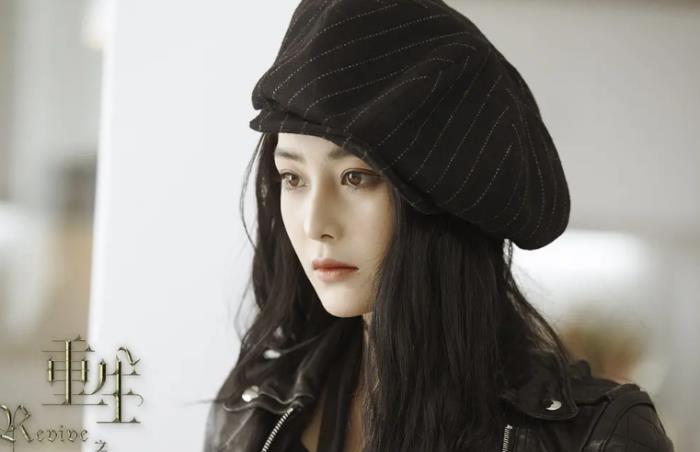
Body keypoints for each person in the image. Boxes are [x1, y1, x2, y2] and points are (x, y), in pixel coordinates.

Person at [203, 0, 674, 450]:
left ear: (442, 198)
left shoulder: (601, 437)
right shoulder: (251, 414)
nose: (314, 224)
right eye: (292, 178)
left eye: (356, 177)